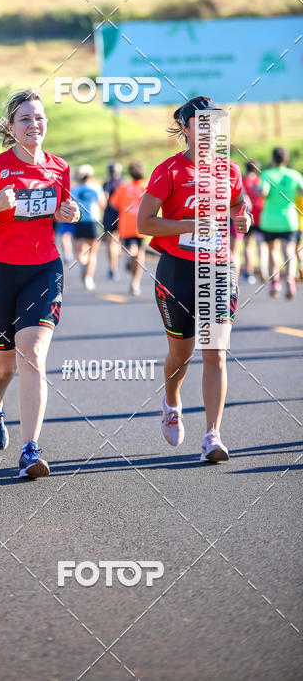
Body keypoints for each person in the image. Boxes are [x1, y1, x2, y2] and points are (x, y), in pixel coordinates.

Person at [0, 89, 81, 479]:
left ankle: (31, 448)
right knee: (4, 365)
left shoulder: (59, 167)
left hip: (44, 269)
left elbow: (63, 209)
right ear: (11, 128)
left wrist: (71, 212)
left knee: (33, 353)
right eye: (25, 119)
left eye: (39, 117)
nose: (34, 125)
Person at [137, 95, 251, 463]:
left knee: (215, 353)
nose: (208, 131)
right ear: (184, 129)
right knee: (180, 354)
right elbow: (143, 223)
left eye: (213, 124)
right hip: (177, 270)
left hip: (217, 268)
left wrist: (242, 217)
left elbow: (238, 203)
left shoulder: (228, 170)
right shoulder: (168, 171)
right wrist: (189, 224)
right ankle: (171, 401)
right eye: (200, 124)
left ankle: (212, 436)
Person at [258, 147, 303, 299]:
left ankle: (275, 282)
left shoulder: (267, 174)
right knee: (289, 251)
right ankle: (290, 279)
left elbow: (263, 192)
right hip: (289, 220)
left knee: (272, 250)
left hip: (270, 220)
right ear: (286, 159)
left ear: (272, 159)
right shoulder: (294, 175)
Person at [110, 160, 147, 296]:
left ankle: (128, 258)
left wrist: (125, 207)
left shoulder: (124, 187)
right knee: (140, 253)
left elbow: (113, 202)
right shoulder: (145, 188)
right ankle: (135, 283)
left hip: (126, 225)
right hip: (142, 225)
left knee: (133, 251)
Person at [71, 165, 106, 290]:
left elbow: (71, 204)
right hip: (94, 222)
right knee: (93, 252)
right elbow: (103, 205)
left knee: (80, 251)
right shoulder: (96, 188)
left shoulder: (74, 189)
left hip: (79, 221)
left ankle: (83, 264)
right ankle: (89, 278)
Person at [241, 161, 265, 283]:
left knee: (248, 245)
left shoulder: (243, 181)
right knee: (261, 244)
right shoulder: (260, 181)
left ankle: (249, 273)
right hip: (260, 216)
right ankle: (263, 269)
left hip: (248, 217)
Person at [102, 163, 123, 279]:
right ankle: (119, 256)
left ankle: (112, 268)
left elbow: (104, 199)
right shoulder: (124, 183)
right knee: (118, 240)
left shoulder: (107, 183)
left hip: (110, 215)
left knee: (110, 242)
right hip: (122, 215)